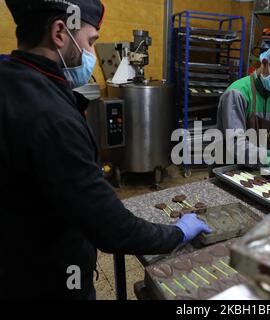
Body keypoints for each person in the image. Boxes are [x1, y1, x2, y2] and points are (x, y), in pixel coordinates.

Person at [0, 0, 211, 300]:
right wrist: (177, 233)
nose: (91, 54)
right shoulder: (51, 118)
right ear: (60, 32)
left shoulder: (10, 76)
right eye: (90, 42)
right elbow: (111, 228)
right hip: (47, 280)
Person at [216, 42, 270, 180]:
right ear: (265, 63)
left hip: (256, 169)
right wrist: (269, 159)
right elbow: (236, 143)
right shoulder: (237, 93)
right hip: (229, 167)